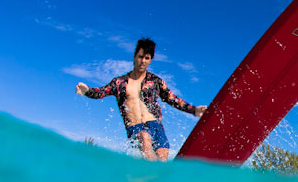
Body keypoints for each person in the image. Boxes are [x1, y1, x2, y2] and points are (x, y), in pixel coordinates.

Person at [76, 38, 206, 161]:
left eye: (147, 58)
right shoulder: (120, 82)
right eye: (140, 57)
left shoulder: (155, 81)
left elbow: (173, 99)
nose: (143, 61)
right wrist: (87, 90)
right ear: (134, 57)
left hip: (156, 126)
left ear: (150, 60)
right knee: (144, 137)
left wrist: (194, 110)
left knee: (162, 159)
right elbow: (101, 92)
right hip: (136, 128)